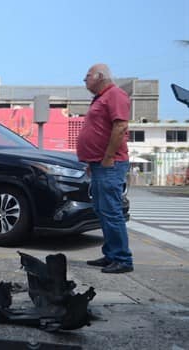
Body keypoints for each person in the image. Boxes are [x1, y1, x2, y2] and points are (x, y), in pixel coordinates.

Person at [77, 63, 133, 273]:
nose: (85, 80)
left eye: (87, 76)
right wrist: (94, 161)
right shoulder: (101, 98)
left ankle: (122, 259)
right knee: (102, 210)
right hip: (100, 164)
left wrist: (108, 157)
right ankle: (111, 254)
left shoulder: (115, 95)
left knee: (111, 211)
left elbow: (120, 127)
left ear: (100, 76)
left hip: (111, 164)